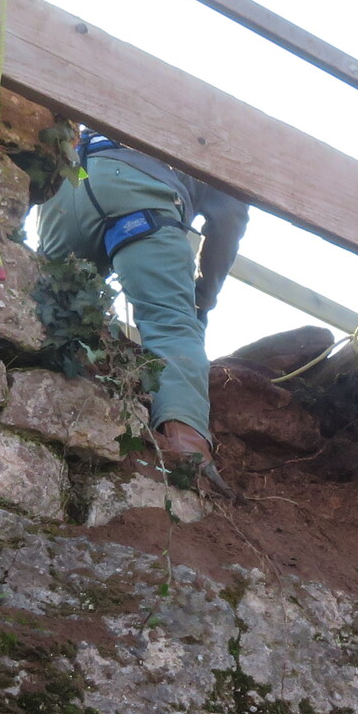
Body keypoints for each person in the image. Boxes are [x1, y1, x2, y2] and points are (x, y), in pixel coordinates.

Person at [32, 129, 249, 481]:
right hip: (137, 193)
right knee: (171, 325)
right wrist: (203, 299)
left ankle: (30, 380)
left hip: (69, 185)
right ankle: (188, 448)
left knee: (52, 303)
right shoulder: (218, 135)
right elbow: (229, 219)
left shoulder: (136, 109)